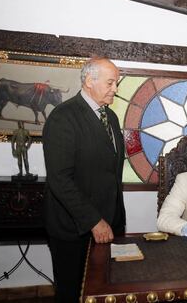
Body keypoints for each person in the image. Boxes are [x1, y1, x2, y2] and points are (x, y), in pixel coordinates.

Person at [42, 57, 126, 302]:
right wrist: (94, 221)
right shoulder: (63, 117)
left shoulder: (110, 118)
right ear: (90, 81)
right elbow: (60, 179)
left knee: (105, 291)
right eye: (111, 83)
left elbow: (109, 172)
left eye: (117, 83)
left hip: (110, 223)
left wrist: (114, 219)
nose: (116, 89)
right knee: (73, 293)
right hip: (73, 229)